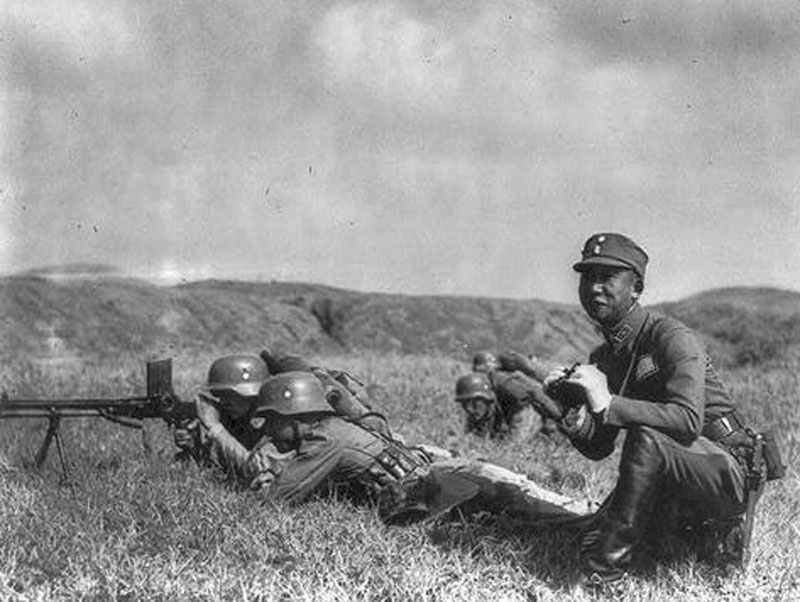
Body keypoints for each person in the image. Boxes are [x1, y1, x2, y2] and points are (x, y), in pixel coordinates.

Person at [541, 233, 783, 586]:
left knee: (646, 438)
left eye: (607, 278)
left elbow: (687, 421)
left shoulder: (670, 336)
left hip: (725, 469)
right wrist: (570, 413)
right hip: (674, 473)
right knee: (586, 534)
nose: (594, 288)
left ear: (636, 288)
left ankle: (602, 576)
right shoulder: (605, 357)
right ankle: (665, 542)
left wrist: (606, 400)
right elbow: (600, 447)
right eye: (588, 277)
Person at [229, 371, 595, 526]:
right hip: (436, 481)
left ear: (293, 414)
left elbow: (272, 501)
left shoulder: (326, 441)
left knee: (543, 507)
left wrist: (216, 431)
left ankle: (602, 517)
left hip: (439, 484)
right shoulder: (332, 431)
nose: (270, 430)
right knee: (525, 501)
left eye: (272, 420)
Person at [174, 354, 274, 480]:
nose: (224, 402)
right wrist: (194, 447)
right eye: (220, 395)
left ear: (253, 395)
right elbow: (222, 467)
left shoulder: (274, 427)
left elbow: (257, 471)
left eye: (231, 395)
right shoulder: (240, 423)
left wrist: (215, 427)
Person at [458, 351, 557, 440]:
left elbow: (532, 397)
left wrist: (556, 416)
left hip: (533, 408)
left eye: (481, 370)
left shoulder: (502, 381)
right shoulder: (487, 389)